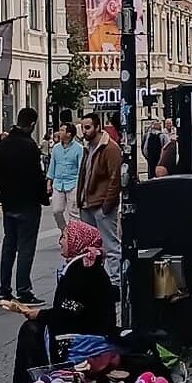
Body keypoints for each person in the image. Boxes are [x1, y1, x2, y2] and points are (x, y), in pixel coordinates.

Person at [2, 220, 117, 383]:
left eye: (64, 237)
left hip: (85, 336)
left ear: (76, 241)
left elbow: (69, 313)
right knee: (34, 327)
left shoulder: (81, 272)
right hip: (91, 327)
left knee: (31, 329)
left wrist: (39, 314)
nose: (60, 241)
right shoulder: (84, 266)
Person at [0, 107, 47, 303]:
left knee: (9, 245)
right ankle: (23, 290)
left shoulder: (2, 145)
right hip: (28, 203)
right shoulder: (30, 146)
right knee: (26, 247)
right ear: (32, 124)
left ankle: (4, 290)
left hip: (9, 202)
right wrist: (43, 196)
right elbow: (36, 176)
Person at [77, 112, 122, 289]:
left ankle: (115, 282)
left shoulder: (110, 148)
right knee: (90, 247)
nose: (84, 131)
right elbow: (83, 174)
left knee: (110, 244)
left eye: (88, 127)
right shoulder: (87, 148)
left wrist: (107, 204)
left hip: (101, 204)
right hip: (87, 204)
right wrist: (80, 199)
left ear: (97, 127)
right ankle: (95, 281)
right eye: (83, 127)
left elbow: (114, 178)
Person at [46, 121, 83, 231]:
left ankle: (74, 236)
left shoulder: (79, 148)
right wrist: (49, 183)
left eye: (62, 130)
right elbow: (52, 166)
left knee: (74, 212)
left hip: (73, 182)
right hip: (58, 183)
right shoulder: (56, 148)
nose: (59, 132)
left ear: (69, 134)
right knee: (57, 210)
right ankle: (64, 231)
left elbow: (81, 168)